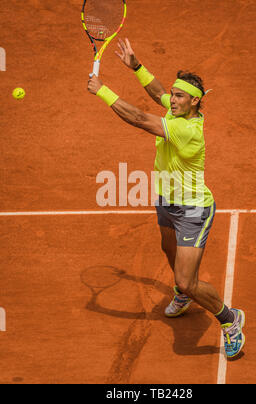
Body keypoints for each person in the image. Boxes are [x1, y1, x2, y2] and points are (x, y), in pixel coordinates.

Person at [87, 38, 245, 358]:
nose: (171, 100)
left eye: (179, 96)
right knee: (167, 249)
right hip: (167, 199)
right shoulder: (179, 112)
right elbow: (156, 91)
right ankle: (184, 296)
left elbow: (139, 119)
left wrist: (102, 90)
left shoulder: (188, 131)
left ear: (195, 103)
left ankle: (229, 320)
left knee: (187, 280)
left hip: (192, 209)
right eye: (173, 94)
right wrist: (136, 67)